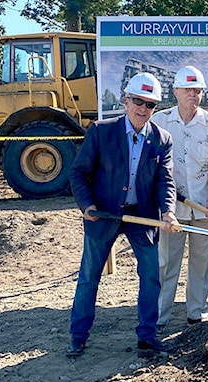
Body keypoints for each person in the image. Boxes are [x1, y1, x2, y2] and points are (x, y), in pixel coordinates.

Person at [66, 72, 177, 358]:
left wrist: (169, 212)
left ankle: (147, 336)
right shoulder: (102, 132)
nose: (143, 109)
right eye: (138, 101)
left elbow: (166, 180)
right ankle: (78, 335)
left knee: (152, 274)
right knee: (89, 276)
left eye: (150, 104)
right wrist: (87, 206)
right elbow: (78, 173)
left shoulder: (161, 139)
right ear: (126, 100)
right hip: (103, 214)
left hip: (142, 216)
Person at [152, 66, 208, 329]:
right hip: (170, 210)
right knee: (166, 263)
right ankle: (160, 316)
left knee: (202, 262)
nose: (193, 95)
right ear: (175, 91)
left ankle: (196, 312)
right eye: (187, 90)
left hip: (205, 209)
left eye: (197, 90)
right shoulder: (160, 122)